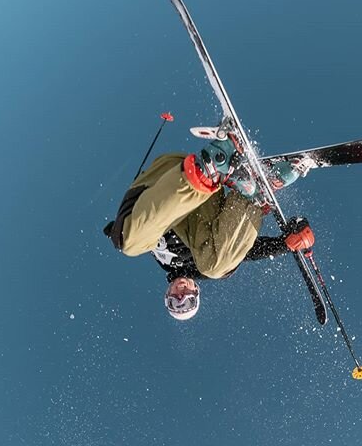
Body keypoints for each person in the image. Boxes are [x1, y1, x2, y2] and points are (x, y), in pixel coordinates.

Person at [104, 133, 315, 320]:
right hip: (206, 198)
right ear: (196, 291)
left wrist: (117, 230)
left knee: (129, 245)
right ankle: (254, 190)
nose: (180, 296)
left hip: (167, 177)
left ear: (167, 294)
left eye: (174, 302)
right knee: (216, 267)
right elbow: (243, 250)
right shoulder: (204, 267)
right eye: (186, 302)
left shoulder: (160, 257)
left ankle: (203, 171)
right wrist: (284, 244)